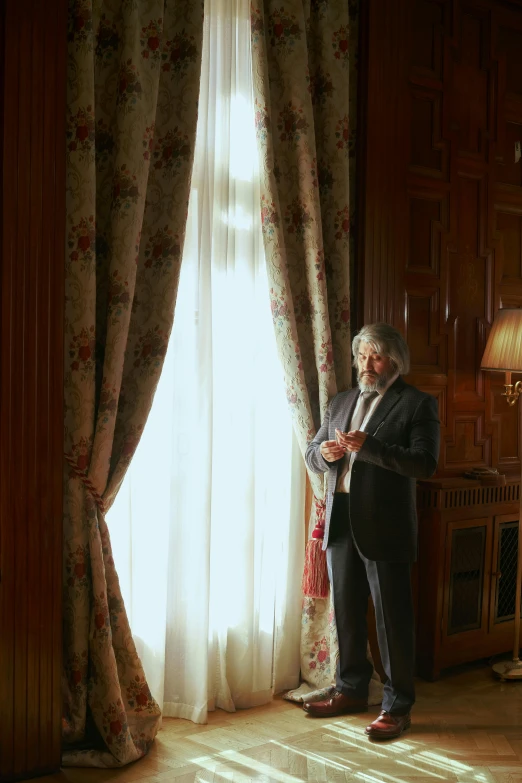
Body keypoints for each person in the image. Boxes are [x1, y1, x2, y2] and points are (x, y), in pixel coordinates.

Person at [303, 322, 440, 740]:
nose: (367, 363)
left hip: (387, 526)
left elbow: (424, 463)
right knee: (346, 612)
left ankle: (397, 708)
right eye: (362, 355)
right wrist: (324, 454)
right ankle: (351, 689)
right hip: (341, 519)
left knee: (392, 620)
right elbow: (312, 453)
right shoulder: (340, 402)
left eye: (376, 355)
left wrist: (372, 448)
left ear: (394, 359)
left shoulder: (417, 404)